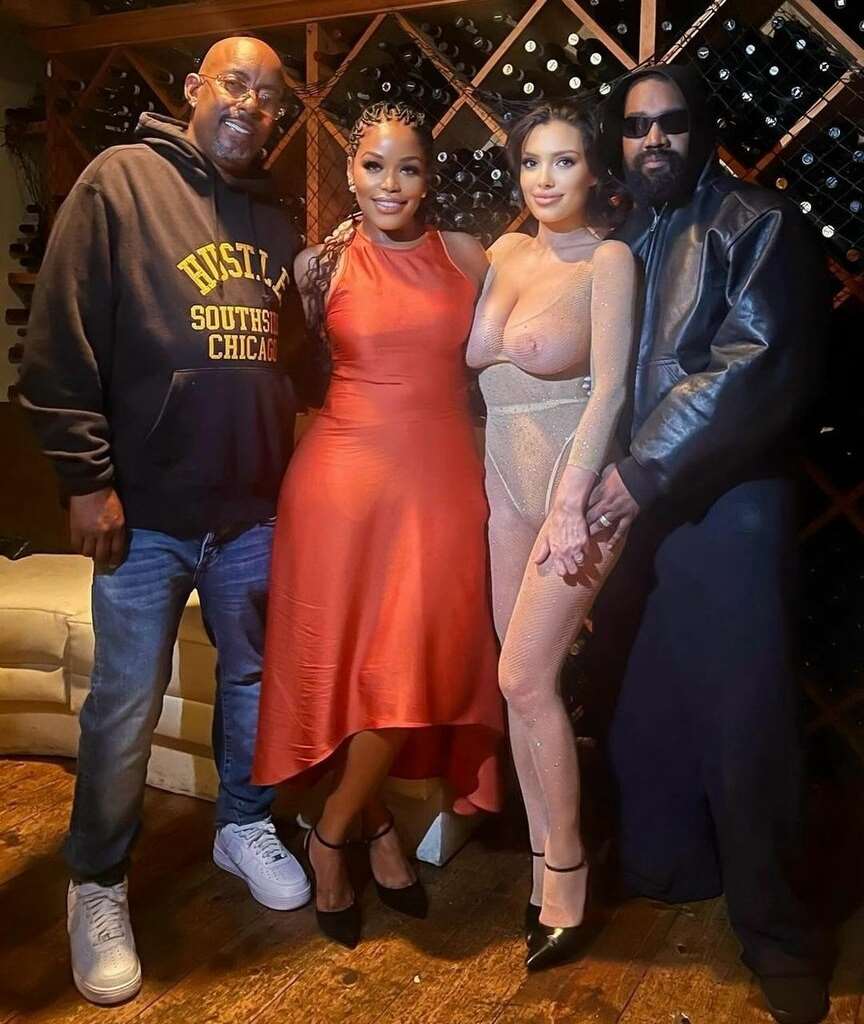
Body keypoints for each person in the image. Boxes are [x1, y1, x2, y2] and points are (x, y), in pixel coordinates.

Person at [18, 36, 311, 1007]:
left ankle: (242, 822)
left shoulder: (274, 218)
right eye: (235, 83)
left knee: (254, 682)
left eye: (269, 96)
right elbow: (58, 340)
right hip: (142, 513)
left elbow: (290, 360)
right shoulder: (119, 182)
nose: (251, 104)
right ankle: (96, 879)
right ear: (194, 89)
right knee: (123, 703)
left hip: (251, 513)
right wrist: (86, 480)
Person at [587, 65, 831, 1024]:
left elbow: (758, 361)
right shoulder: (624, 236)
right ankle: (670, 867)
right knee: (643, 698)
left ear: (705, 130)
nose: (653, 139)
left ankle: (781, 936)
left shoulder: (757, 221)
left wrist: (643, 467)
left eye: (672, 122)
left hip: (730, 503)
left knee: (748, 719)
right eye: (635, 126)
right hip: (640, 507)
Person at [253, 101, 505, 949]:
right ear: (350, 172)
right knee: (345, 668)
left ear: (428, 179)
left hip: (441, 487)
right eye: (373, 166)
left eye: (408, 168)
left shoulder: (466, 255)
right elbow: (286, 374)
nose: (389, 184)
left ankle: (333, 832)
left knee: (413, 664)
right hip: (339, 489)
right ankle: (375, 829)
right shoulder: (316, 265)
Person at [466, 100, 636, 972]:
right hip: (504, 498)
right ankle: (542, 863)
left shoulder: (608, 259)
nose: (545, 178)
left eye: (564, 161)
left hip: (573, 502)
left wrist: (570, 504)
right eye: (532, 161)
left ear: (594, 171)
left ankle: (568, 872)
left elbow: (610, 390)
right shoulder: (503, 252)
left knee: (523, 676)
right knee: (522, 691)